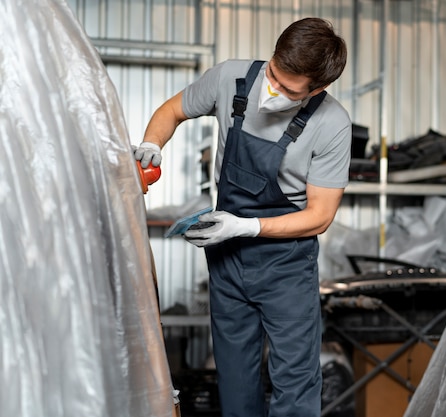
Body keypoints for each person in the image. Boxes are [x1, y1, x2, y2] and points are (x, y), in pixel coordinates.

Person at [134, 17, 351, 417]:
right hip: (227, 259)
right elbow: (172, 110)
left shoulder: (332, 124)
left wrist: (248, 226)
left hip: (285, 266)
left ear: (316, 89)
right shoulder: (231, 77)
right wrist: (152, 140)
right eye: (273, 74)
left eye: (288, 90)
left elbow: (320, 216)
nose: (273, 91)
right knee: (235, 379)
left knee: (295, 382)